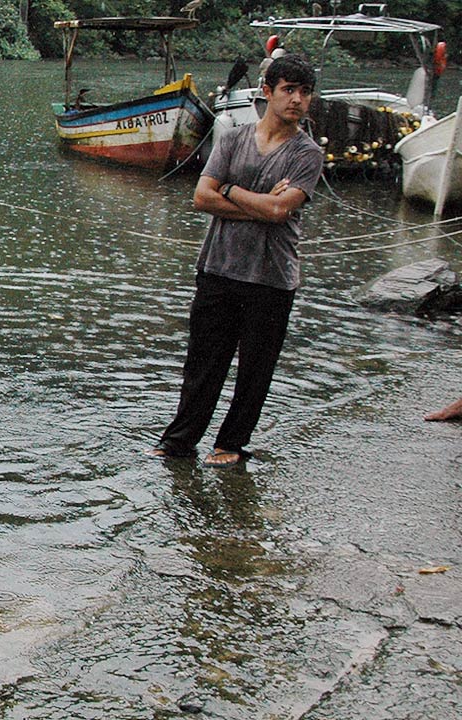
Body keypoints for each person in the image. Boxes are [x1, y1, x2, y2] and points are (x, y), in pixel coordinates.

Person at [147, 54, 324, 468]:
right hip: (219, 267)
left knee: (255, 371)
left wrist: (230, 189)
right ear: (267, 92)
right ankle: (179, 441)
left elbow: (282, 212)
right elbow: (200, 198)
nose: (297, 100)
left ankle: (231, 443)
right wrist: (260, 203)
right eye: (288, 90)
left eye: (304, 93)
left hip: (271, 276)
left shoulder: (307, 154)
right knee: (203, 364)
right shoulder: (232, 137)